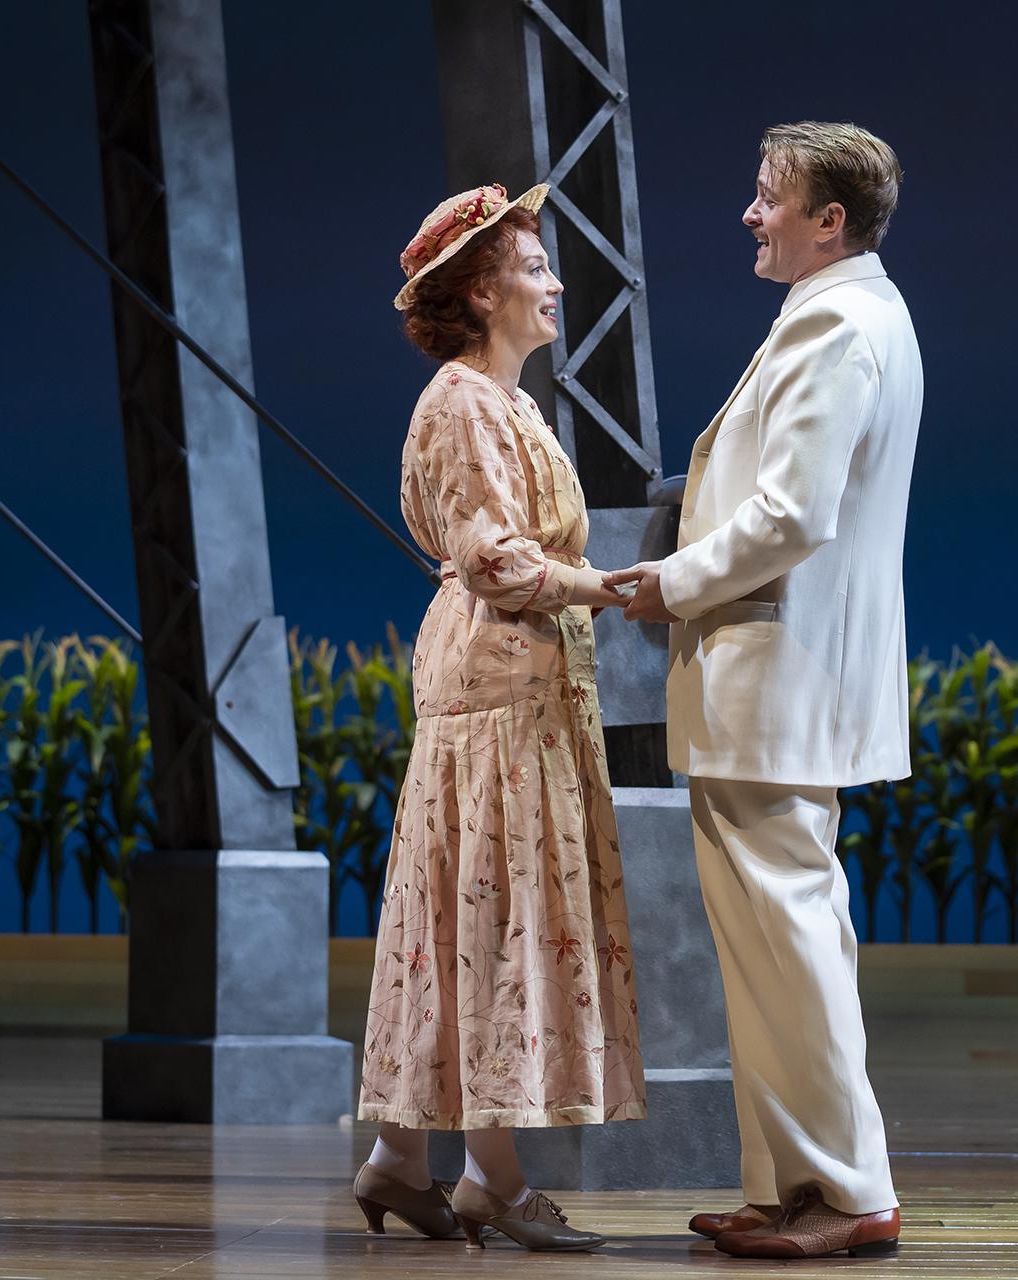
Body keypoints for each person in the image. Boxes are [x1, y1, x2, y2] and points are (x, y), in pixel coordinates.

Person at [605, 121, 920, 1260]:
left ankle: (847, 1187)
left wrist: (672, 583)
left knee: (790, 938)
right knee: (770, 946)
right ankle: (792, 1180)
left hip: (777, 678)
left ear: (827, 220)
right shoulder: (845, 312)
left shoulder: (841, 322)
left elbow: (794, 514)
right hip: (768, 681)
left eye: (768, 197)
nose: (751, 213)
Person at [352, 182, 644, 1252]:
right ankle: (494, 1178)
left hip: (520, 688)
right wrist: (604, 587)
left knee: (459, 909)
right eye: (533, 266)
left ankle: (400, 1156)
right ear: (480, 293)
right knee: (482, 914)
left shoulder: (509, 402)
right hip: (497, 693)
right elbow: (495, 558)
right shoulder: (464, 401)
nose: (554, 281)